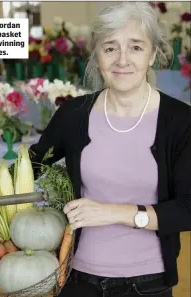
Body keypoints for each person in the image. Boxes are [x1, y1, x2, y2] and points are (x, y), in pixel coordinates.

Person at [28, 2, 191, 297]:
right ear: (97, 54)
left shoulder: (180, 121)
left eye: (136, 47)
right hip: (77, 279)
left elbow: (187, 210)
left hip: (148, 284)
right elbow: (31, 167)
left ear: (153, 54)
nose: (122, 60)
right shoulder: (73, 114)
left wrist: (112, 212)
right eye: (110, 48)